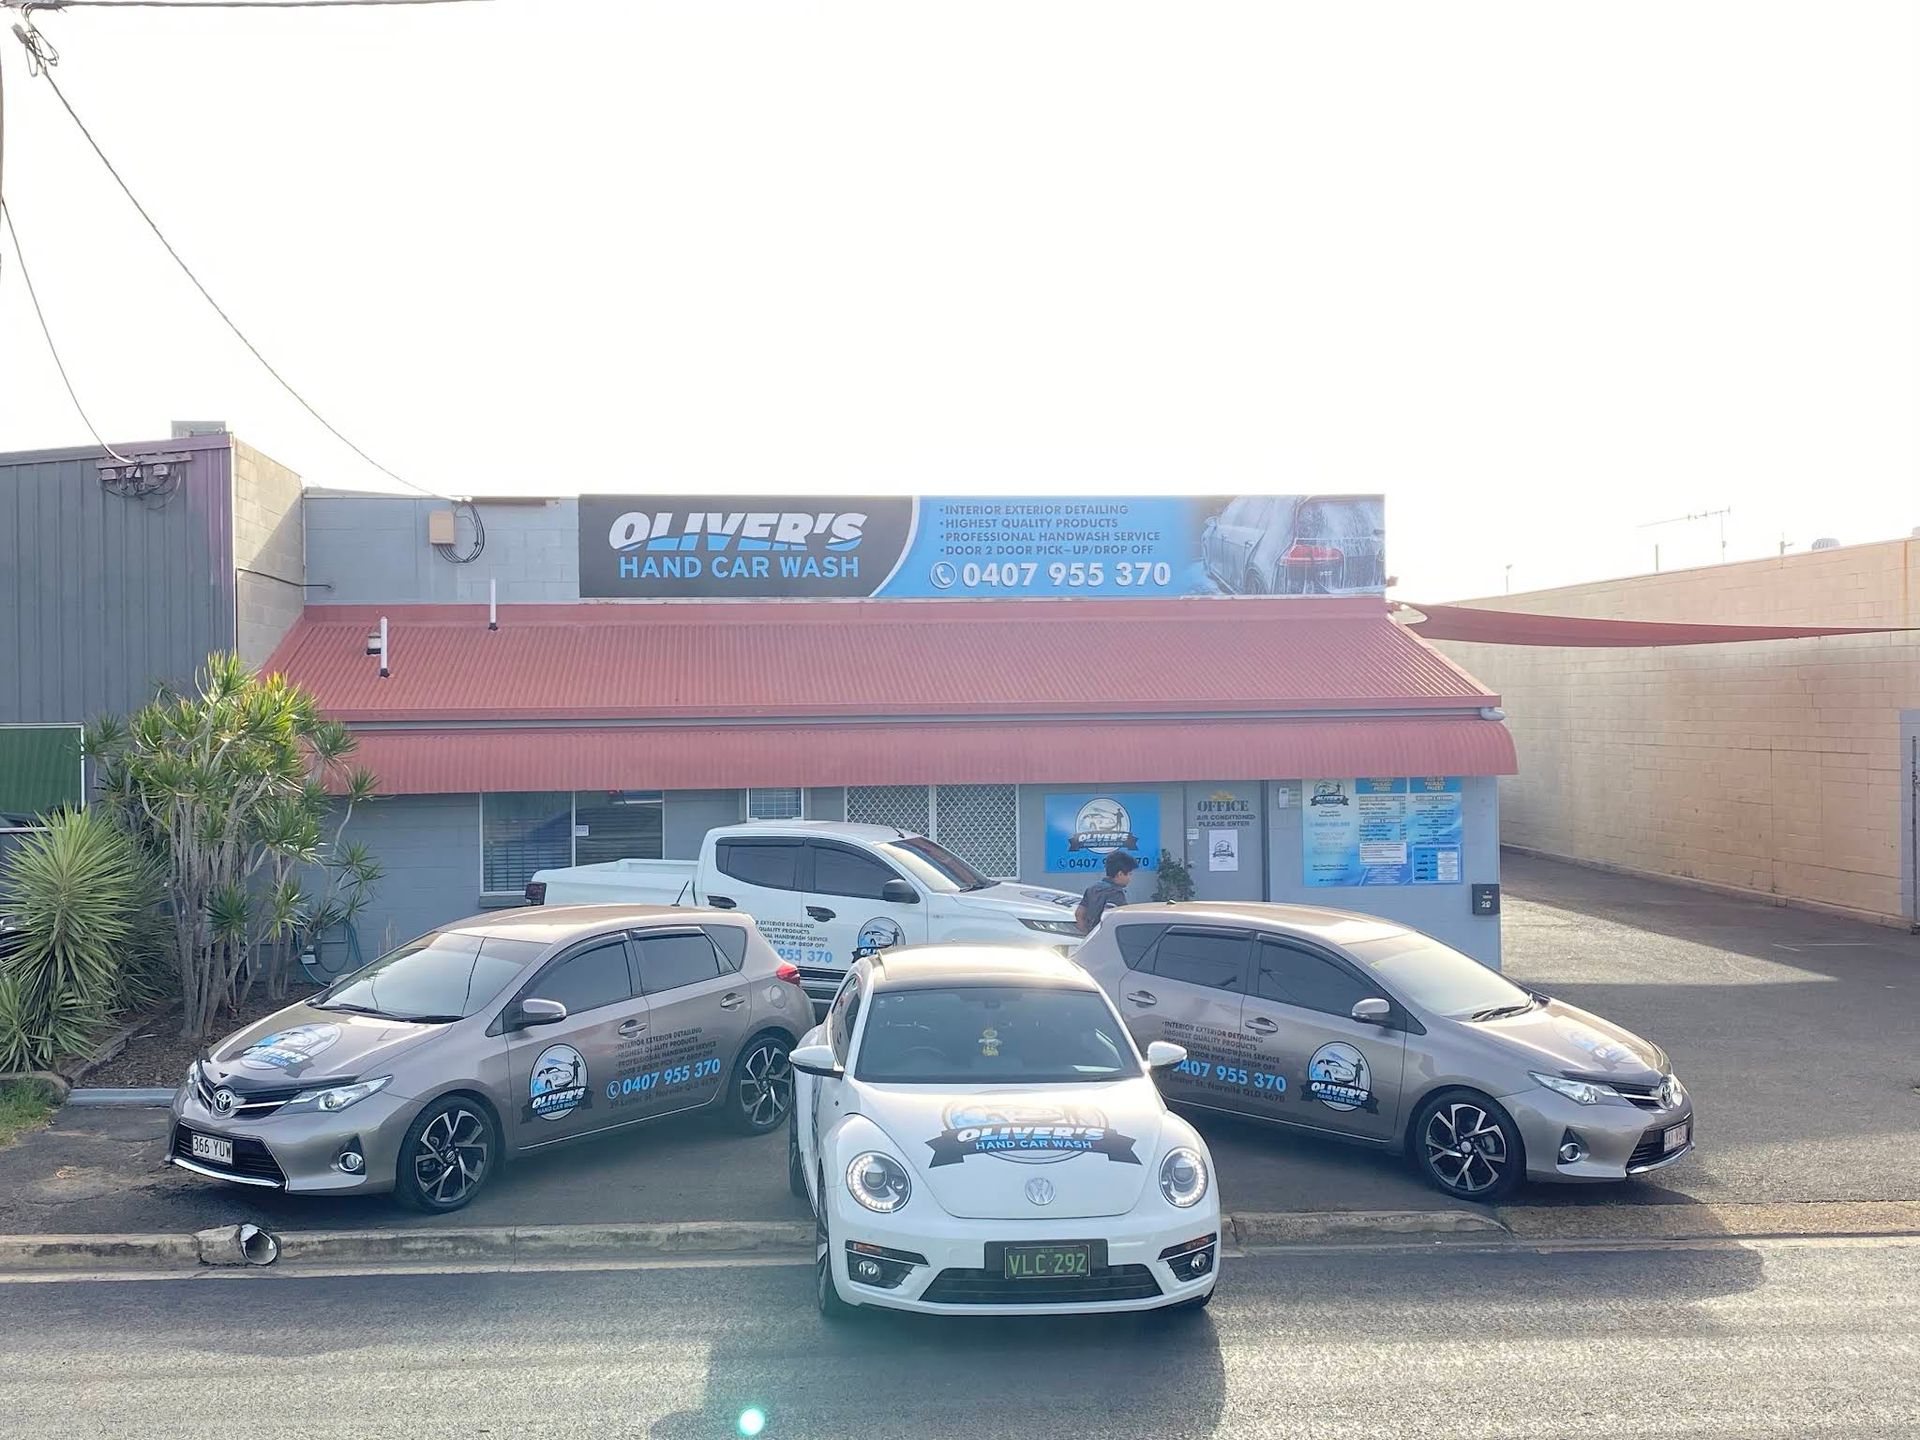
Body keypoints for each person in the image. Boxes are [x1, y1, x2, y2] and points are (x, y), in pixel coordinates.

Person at [1075, 851, 1138, 935]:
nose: (1130, 878)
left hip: (1092, 938)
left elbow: (1079, 914)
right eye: (1129, 874)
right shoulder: (1116, 894)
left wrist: (1088, 935)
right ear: (1120, 874)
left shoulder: (1092, 889)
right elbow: (1108, 920)